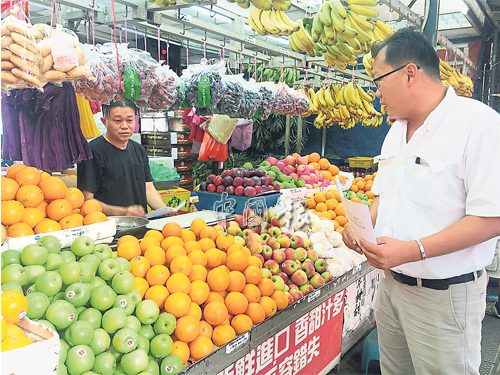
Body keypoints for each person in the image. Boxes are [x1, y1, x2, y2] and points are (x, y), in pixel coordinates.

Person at [342, 28, 500, 375]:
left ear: (410, 73)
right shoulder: (396, 131)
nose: (376, 92)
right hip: (392, 288)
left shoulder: (479, 125)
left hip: (445, 298)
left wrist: (412, 250)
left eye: (379, 80)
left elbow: (491, 219)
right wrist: (360, 229)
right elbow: (384, 196)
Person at [77, 99, 173, 218]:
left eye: (129, 120)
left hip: (140, 224)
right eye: (118, 121)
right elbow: (87, 199)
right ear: (104, 121)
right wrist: (123, 212)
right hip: (107, 226)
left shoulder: (139, 150)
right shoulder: (92, 152)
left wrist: (163, 209)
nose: (124, 126)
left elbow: (148, 188)